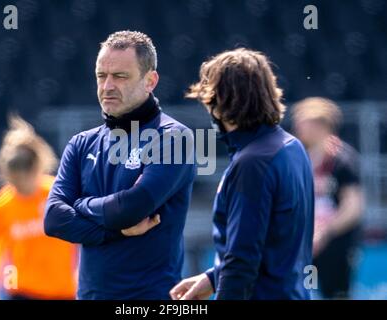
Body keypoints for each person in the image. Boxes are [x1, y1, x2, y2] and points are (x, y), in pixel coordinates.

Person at [44, 31, 196, 299]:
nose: (108, 86)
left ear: (150, 80)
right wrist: (115, 231)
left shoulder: (173, 138)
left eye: (120, 76)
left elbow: (131, 208)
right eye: (101, 76)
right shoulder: (81, 143)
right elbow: (54, 219)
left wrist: (81, 204)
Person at [170, 48, 314, 300]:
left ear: (218, 101)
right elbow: (272, 242)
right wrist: (213, 278)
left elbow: (242, 260)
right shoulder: (291, 147)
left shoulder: (252, 163)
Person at [0, 116, 77, 300]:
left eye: (23, 178)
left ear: (36, 168)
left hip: (64, 291)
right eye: (14, 180)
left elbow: (81, 237)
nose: (20, 186)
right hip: (23, 292)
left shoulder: (59, 195)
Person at [292, 97, 364, 299]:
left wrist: (325, 233)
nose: (297, 125)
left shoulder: (343, 159)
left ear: (321, 124)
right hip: (304, 246)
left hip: (335, 245)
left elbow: (353, 206)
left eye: (303, 120)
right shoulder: (299, 156)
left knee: (336, 294)